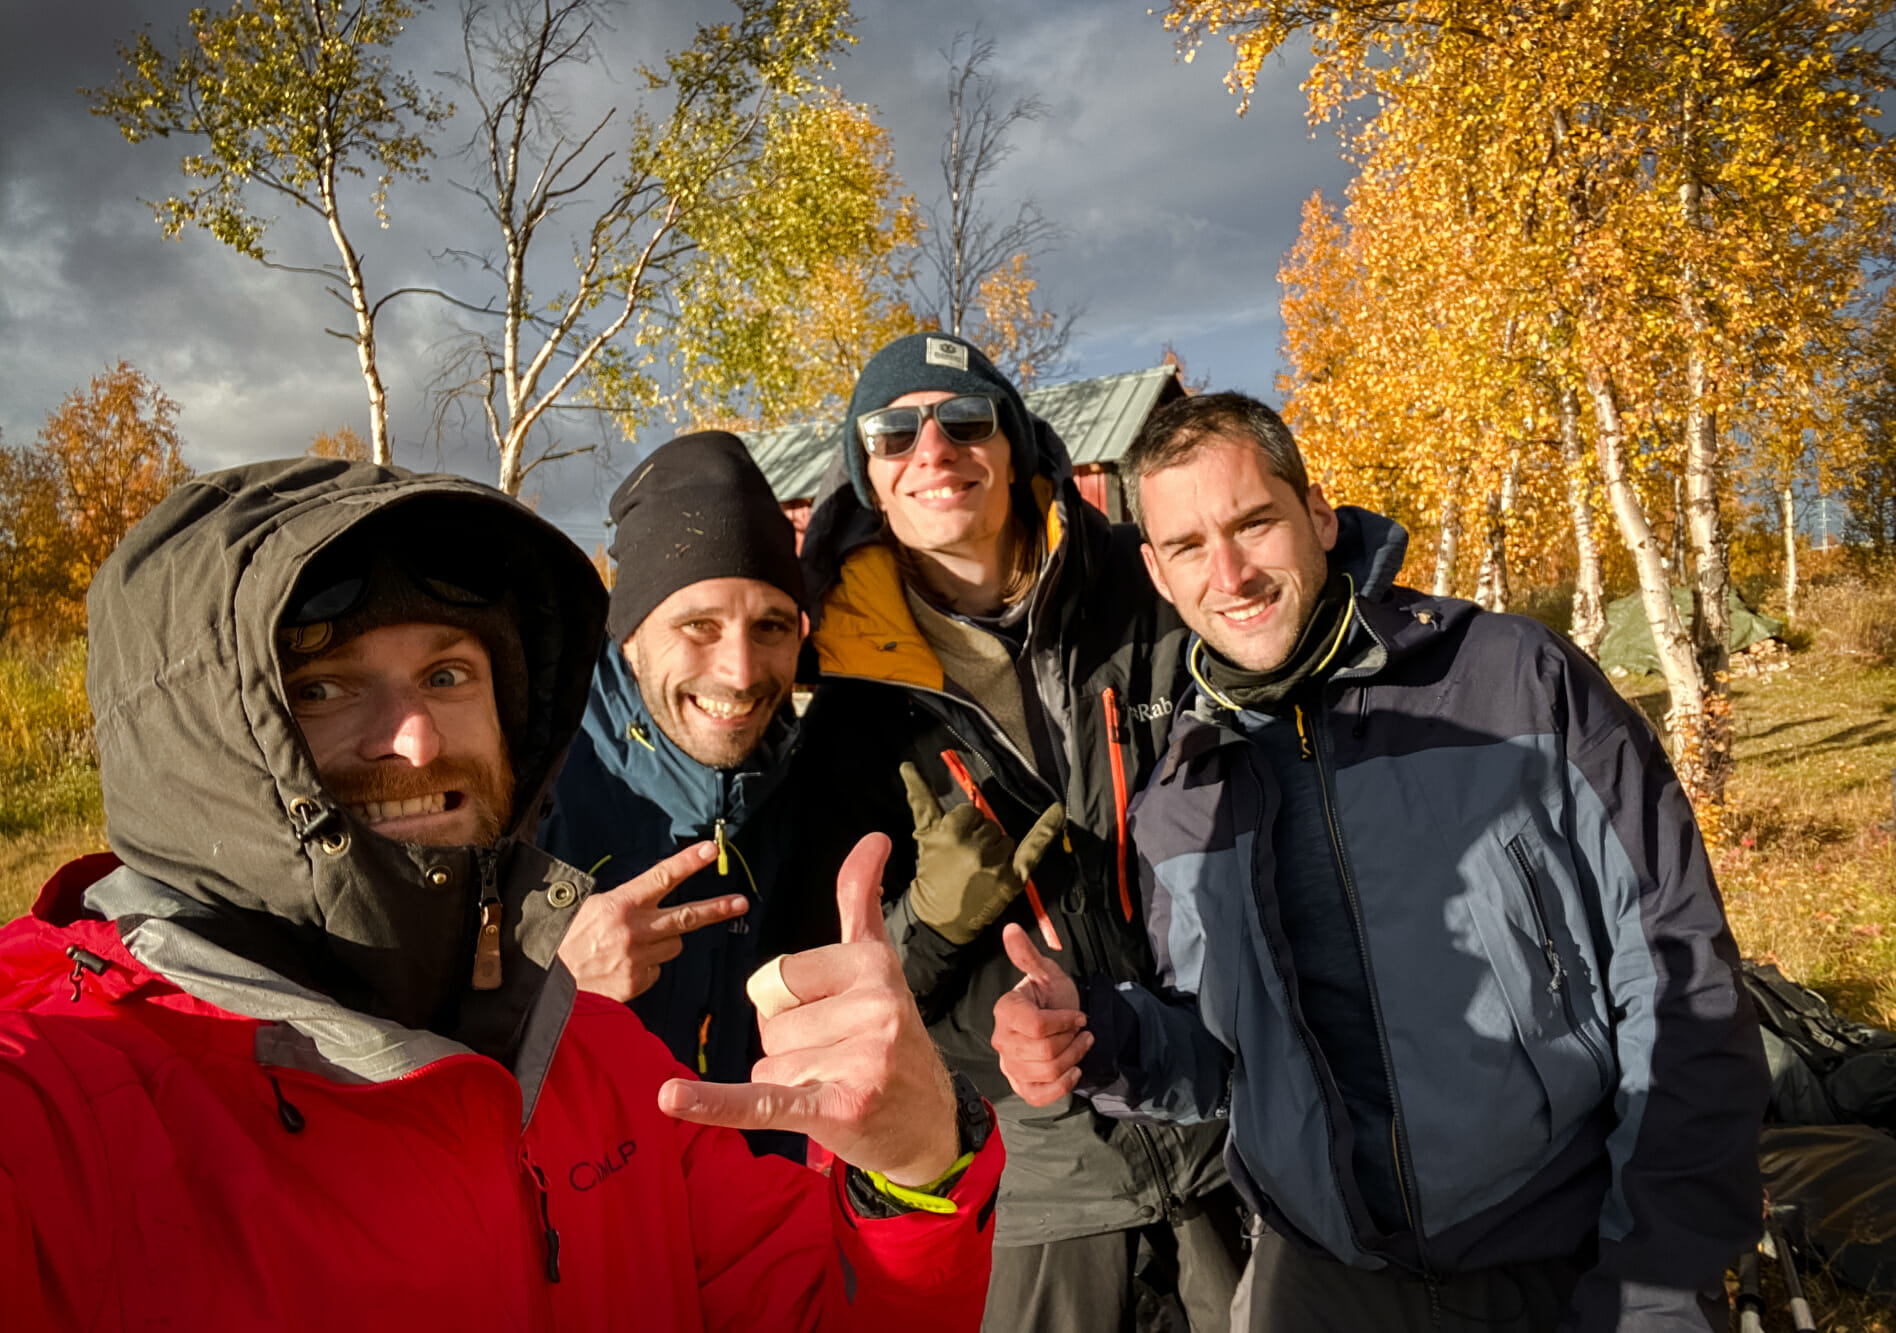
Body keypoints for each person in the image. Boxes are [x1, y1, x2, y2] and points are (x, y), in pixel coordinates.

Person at [0, 458, 1002, 1331]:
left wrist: (917, 1169)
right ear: (194, 735)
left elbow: (824, 1306)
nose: (417, 738)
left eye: (447, 674)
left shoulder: (595, 1063)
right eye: (321, 687)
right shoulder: (71, 1101)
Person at [990, 393, 1767, 1332]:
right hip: (1322, 1284)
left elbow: (1679, 977)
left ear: (1317, 515)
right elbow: (1226, 1060)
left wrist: (1660, 1281)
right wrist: (1100, 1037)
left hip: (1566, 1253)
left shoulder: (1512, 680)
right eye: (1189, 546)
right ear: (1156, 572)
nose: (1229, 573)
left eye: (1253, 522)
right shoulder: (1181, 799)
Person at [800, 333, 1245, 1333]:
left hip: (1231, 1126)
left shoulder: (1152, 602)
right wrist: (936, 920)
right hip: (1040, 1185)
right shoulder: (850, 710)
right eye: (891, 432)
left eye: (962, 420)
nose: (932, 450)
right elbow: (850, 997)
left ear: (1013, 448)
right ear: (866, 476)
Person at [545, 431, 839, 1108]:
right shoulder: (527, 779)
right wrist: (548, 981)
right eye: (699, 625)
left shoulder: (802, 783)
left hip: (747, 1191)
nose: (738, 673)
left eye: (769, 626)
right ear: (630, 635)